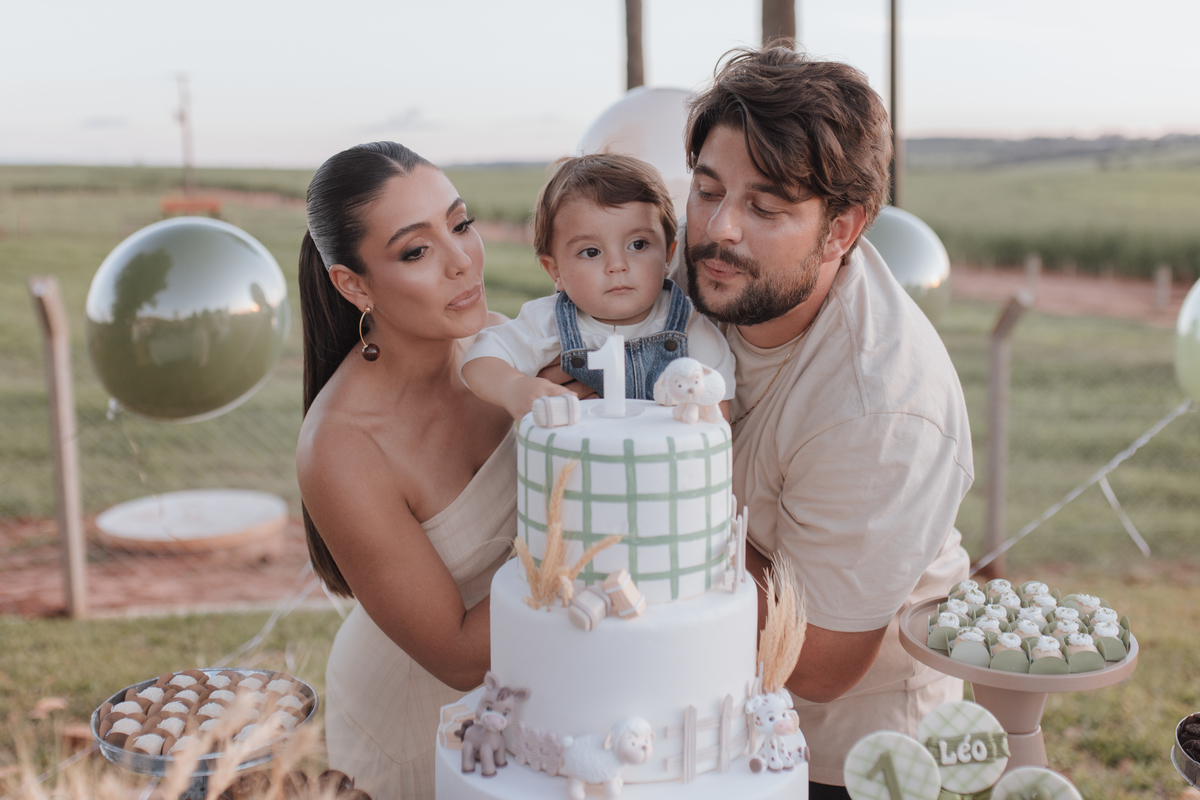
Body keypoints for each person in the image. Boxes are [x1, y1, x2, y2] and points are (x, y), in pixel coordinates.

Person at [668, 48, 974, 797]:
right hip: (699, 712)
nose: (719, 228)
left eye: (766, 208)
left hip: (846, 756)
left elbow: (821, 662)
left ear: (841, 230)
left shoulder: (882, 406)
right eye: (707, 190)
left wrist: (658, 490)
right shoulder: (701, 270)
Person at [295, 142, 517, 799]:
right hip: (416, 716)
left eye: (461, 224)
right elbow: (458, 656)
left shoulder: (502, 346)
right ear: (354, 285)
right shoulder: (341, 447)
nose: (461, 260)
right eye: (417, 251)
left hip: (521, 690)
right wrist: (591, 538)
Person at [462, 153, 734, 420]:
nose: (617, 265)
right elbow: (480, 359)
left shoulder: (687, 326)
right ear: (555, 271)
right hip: (573, 452)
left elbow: (716, 414)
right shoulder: (547, 322)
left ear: (667, 256)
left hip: (663, 450)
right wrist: (513, 387)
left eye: (638, 245)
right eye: (591, 252)